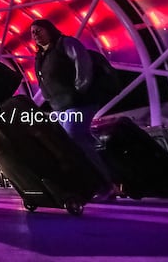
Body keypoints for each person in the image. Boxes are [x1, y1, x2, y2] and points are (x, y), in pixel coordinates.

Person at [30, 19, 115, 201]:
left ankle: (105, 184)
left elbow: (82, 64)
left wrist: (79, 88)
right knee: (78, 141)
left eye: (39, 30)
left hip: (78, 102)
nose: (35, 35)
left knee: (74, 136)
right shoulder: (41, 56)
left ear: (50, 29)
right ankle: (97, 182)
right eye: (33, 32)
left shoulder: (66, 44)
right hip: (59, 105)